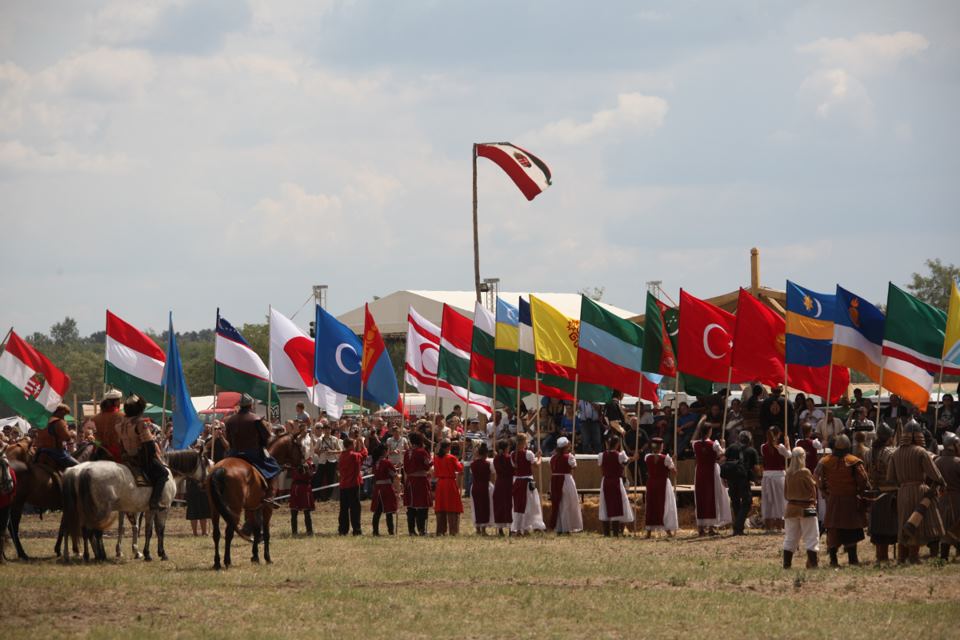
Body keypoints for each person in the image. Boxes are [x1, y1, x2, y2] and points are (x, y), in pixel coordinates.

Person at [886, 420, 945, 564]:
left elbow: (890, 478)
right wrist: (942, 482)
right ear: (918, 436)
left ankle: (901, 557)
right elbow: (934, 473)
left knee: (904, 523)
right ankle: (913, 556)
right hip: (919, 490)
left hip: (902, 491)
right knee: (916, 523)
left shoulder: (895, 453)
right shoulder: (921, 451)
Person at [816, 434, 869, 566]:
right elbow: (863, 480)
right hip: (849, 501)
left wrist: (824, 491)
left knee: (834, 530)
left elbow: (816, 476)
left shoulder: (825, 461)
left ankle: (833, 560)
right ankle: (852, 559)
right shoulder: (854, 461)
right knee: (850, 528)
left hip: (833, 501)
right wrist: (860, 492)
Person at [223, 394, 281, 506]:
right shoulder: (256, 419)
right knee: (274, 467)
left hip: (234, 454)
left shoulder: (229, 420)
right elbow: (267, 437)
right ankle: (269, 496)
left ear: (240, 405)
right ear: (251, 405)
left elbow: (228, 439)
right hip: (253, 454)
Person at [117, 395, 170, 511]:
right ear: (140, 409)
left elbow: (120, 444)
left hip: (127, 458)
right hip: (142, 459)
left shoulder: (120, 424)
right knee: (163, 473)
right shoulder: (140, 423)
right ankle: (154, 502)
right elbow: (149, 445)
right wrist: (154, 457)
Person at [782, 447, 819, 569]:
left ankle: (787, 565)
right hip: (807, 507)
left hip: (791, 508)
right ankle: (813, 563)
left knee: (790, 537)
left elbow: (786, 494)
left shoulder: (788, 473)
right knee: (811, 537)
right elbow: (812, 490)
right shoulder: (805, 472)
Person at [693, 422, 732, 536]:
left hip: (700, 471)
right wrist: (723, 445)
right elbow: (722, 455)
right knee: (712, 496)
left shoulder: (695, 444)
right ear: (709, 431)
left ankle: (701, 527)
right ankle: (710, 527)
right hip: (711, 471)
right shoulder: (714, 444)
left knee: (701, 497)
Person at [867, 424, 898, 563]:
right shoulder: (889, 453)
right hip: (889, 493)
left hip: (876, 492)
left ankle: (880, 555)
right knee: (887, 526)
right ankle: (883, 556)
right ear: (889, 437)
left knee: (878, 526)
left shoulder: (869, 452)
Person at [598, 435, 638, 536]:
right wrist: (634, 458)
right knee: (616, 504)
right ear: (617, 444)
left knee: (606, 504)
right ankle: (615, 532)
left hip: (605, 481)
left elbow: (601, 468)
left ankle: (607, 533)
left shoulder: (602, 455)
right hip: (616, 481)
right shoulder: (620, 455)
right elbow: (625, 463)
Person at [723, 431, 759, 536]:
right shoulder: (752, 451)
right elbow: (756, 467)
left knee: (735, 502)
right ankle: (738, 526)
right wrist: (756, 478)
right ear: (749, 440)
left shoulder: (731, 448)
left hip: (731, 478)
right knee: (747, 502)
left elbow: (724, 461)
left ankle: (738, 529)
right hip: (743, 479)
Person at [511, 433, 545, 534]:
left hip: (517, 481)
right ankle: (526, 527)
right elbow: (536, 465)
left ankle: (520, 527)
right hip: (527, 481)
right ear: (523, 442)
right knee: (530, 504)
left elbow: (515, 466)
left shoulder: (513, 454)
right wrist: (539, 457)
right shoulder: (528, 453)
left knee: (519, 504)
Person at [644, 437, 678, 538]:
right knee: (664, 506)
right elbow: (674, 472)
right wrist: (672, 461)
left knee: (652, 505)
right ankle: (667, 530)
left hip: (651, 483)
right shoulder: (666, 458)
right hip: (663, 483)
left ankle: (649, 532)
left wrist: (671, 460)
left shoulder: (647, 457)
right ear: (661, 446)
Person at [548, 437, 582, 535]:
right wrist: (573, 457)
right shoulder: (569, 457)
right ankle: (566, 528)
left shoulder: (553, 457)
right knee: (567, 503)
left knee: (558, 504)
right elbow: (574, 467)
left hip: (554, 481)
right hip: (566, 481)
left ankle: (559, 527)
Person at [935, 432, 960, 560]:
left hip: (942, 498)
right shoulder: (957, 462)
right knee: (956, 526)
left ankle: (944, 557)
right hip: (956, 499)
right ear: (953, 446)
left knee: (945, 526)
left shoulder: (937, 461)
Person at [760, 427, 790, 532]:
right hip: (778, 476)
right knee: (780, 501)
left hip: (767, 476)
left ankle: (769, 526)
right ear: (778, 435)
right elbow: (789, 455)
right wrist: (788, 444)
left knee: (768, 501)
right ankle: (779, 526)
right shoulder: (780, 447)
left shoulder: (763, 447)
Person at [403, 432, 432, 536]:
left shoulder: (407, 452)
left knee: (411, 507)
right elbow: (427, 465)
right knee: (422, 506)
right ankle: (421, 530)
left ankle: (411, 530)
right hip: (420, 481)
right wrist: (432, 459)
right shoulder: (422, 452)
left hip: (410, 480)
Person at [433, 440, 464, 536]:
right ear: (448, 447)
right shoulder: (451, 458)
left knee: (441, 507)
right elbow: (459, 468)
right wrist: (460, 462)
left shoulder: (436, 458)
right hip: (450, 483)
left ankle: (440, 530)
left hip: (440, 484)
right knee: (452, 506)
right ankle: (453, 530)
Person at [34, 404, 78, 470]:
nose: (65, 417)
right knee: (78, 466)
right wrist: (71, 434)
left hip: (40, 451)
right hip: (55, 452)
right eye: (65, 414)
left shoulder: (43, 421)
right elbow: (67, 437)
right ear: (61, 412)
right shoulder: (59, 422)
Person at [337, 437, 364, 536]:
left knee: (344, 508)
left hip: (344, 485)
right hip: (352, 484)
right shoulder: (353, 455)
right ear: (351, 445)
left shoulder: (342, 455)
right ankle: (356, 530)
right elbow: (363, 456)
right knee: (355, 508)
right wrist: (362, 446)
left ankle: (343, 530)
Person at [371, 444, 398, 536]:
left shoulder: (375, 463)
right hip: (386, 488)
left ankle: (375, 531)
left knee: (377, 512)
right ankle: (391, 531)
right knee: (389, 511)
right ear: (384, 452)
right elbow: (394, 474)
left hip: (378, 488)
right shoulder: (386, 462)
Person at [91, 389, 124, 461]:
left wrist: (97, 443)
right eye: (119, 401)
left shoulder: (94, 418)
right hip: (116, 452)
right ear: (116, 402)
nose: (120, 403)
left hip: (98, 450)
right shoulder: (122, 416)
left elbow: (93, 436)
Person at [470, 442, 495, 535]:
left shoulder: (473, 464)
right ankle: (483, 529)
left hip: (475, 486)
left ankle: (478, 528)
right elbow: (493, 474)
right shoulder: (488, 464)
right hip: (485, 486)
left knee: (476, 506)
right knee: (484, 507)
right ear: (486, 454)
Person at [315, 423, 342, 501]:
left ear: (330, 430)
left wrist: (332, 451)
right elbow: (315, 450)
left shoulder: (335, 439)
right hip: (322, 461)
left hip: (332, 461)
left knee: (331, 479)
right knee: (319, 479)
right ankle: (318, 496)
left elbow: (340, 450)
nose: (327, 431)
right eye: (325, 429)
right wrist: (321, 451)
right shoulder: (320, 439)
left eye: (328, 429)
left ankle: (328, 497)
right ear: (323, 430)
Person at [288, 458, 315, 536]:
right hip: (296, 487)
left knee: (306, 511)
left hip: (304, 487)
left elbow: (311, 475)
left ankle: (309, 532)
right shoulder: (293, 463)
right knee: (294, 512)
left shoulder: (309, 463)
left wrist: (306, 468)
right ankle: (294, 532)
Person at [492, 440, 514, 535]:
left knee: (500, 505)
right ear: (506, 448)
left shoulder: (496, 458)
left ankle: (500, 529)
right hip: (508, 483)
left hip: (499, 483)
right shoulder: (509, 458)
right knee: (509, 505)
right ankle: (510, 529)